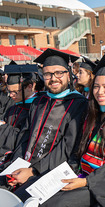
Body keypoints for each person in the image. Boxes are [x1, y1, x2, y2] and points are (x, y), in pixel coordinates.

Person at [40, 55, 105, 207]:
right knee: (43, 195)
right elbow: (79, 151)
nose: (100, 92)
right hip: (81, 176)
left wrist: (86, 181)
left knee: (57, 204)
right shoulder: (91, 115)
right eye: (96, 86)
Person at [0, 49, 88, 202]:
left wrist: (33, 170)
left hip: (50, 173)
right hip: (25, 168)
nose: (53, 79)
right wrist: (16, 166)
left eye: (58, 73)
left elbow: (67, 148)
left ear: (68, 74)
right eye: (48, 74)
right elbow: (24, 137)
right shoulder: (39, 102)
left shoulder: (79, 105)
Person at [0, 64, 38, 156]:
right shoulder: (14, 107)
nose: (11, 95)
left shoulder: (38, 107)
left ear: (29, 87)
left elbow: (25, 137)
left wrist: (3, 126)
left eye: (15, 92)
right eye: (9, 91)